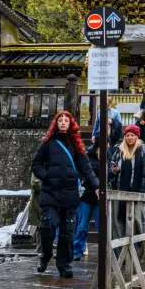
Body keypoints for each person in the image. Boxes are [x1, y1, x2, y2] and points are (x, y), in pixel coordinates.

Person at [31, 111, 98, 277]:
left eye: (65, 120)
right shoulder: (48, 143)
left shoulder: (75, 144)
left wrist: (96, 185)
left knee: (68, 231)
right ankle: (45, 255)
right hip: (50, 192)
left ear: (70, 124)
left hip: (70, 192)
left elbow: (86, 168)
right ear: (56, 123)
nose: (62, 123)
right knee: (48, 225)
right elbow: (36, 163)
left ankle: (64, 264)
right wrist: (47, 176)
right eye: (60, 120)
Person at [109, 125, 145, 247]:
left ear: (137, 137)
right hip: (120, 191)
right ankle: (121, 252)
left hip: (138, 191)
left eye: (132, 135)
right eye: (127, 135)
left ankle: (138, 248)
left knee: (137, 220)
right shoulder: (118, 151)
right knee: (118, 222)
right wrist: (113, 170)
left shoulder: (144, 152)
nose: (130, 138)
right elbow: (109, 171)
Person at [73, 137, 104, 261]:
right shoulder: (88, 156)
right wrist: (83, 180)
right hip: (87, 194)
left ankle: (104, 250)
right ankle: (77, 251)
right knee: (82, 225)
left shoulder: (109, 155)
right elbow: (80, 170)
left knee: (100, 225)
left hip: (101, 195)